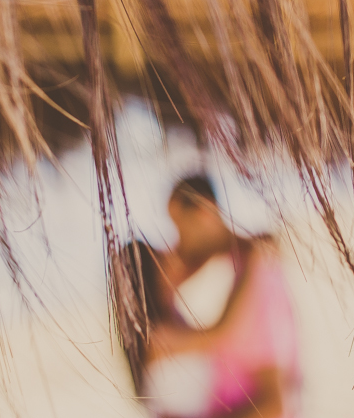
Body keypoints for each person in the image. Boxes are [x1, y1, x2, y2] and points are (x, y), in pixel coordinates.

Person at [125, 175, 301, 418]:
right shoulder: (243, 265)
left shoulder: (259, 277)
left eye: (179, 226)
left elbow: (273, 406)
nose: (177, 241)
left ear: (204, 214)